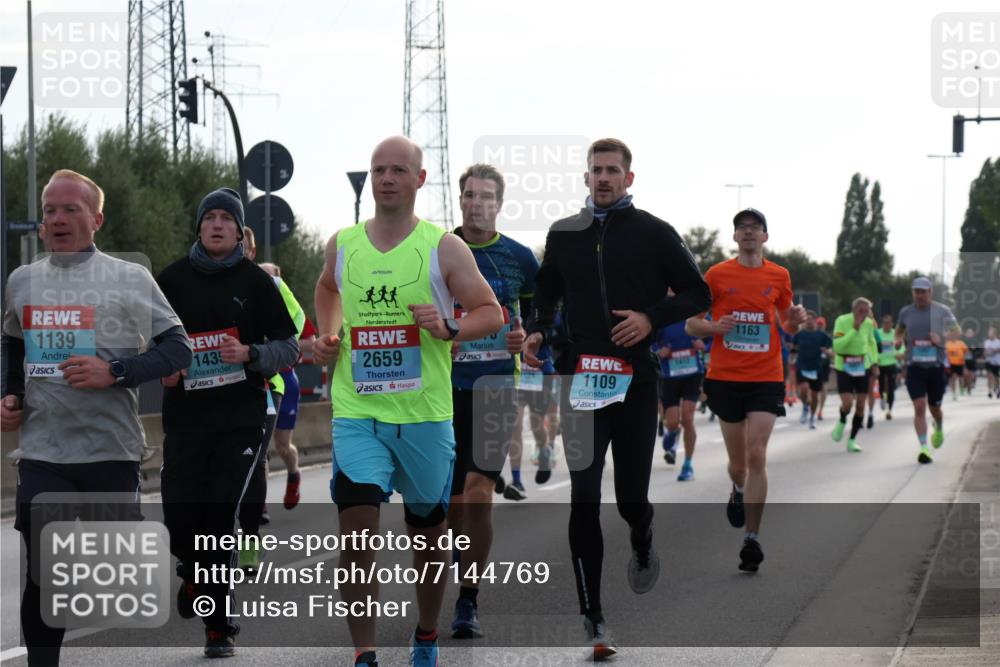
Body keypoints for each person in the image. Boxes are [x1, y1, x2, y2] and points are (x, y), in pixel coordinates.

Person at [312, 136, 502, 667]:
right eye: (379, 170)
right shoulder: (343, 244)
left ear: (419, 179)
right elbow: (326, 289)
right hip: (358, 412)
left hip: (424, 416)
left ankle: (426, 631)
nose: (387, 178)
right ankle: (365, 653)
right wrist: (328, 334)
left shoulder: (444, 247)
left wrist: (449, 327)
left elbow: (491, 312)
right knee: (357, 535)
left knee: (428, 537)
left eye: (398, 170)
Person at [524, 138, 711, 660]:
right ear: (586, 177)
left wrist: (651, 317)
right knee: (584, 495)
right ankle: (593, 617)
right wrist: (539, 328)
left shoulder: (654, 232)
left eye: (612, 170)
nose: (603, 177)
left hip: (636, 381)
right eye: (596, 170)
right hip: (581, 378)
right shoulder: (564, 234)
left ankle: (642, 535)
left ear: (629, 178)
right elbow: (546, 290)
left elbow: (698, 293)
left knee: (630, 499)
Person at [2, 169, 192, 666]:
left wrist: (116, 371)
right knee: (44, 570)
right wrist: (11, 393)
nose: (58, 219)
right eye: (50, 210)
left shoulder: (129, 278)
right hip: (44, 450)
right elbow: (12, 343)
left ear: (97, 219)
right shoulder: (22, 281)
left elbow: (178, 349)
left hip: (110, 448)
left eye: (71, 209)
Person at [157, 187, 299, 657]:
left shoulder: (257, 282)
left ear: (239, 232)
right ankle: (195, 573)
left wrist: (250, 353)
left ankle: (220, 627)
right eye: (209, 217)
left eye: (226, 219)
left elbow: (289, 348)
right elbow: (148, 341)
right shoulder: (171, 280)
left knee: (219, 516)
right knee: (179, 517)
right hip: (185, 421)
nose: (217, 224)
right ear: (199, 227)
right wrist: (166, 366)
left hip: (240, 419)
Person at [686, 207, 807, 574]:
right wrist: (715, 328)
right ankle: (737, 489)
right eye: (743, 228)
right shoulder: (717, 275)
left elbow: (787, 324)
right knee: (738, 465)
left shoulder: (779, 275)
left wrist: (795, 321)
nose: (749, 232)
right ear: (735, 237)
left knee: (757, 454)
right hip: (726, 378)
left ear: (765, 236)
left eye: (756, 228)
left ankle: (751, 539)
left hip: (766, 377)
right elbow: (692, 325)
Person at [446, 163, 538, 639]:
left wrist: (529, 335)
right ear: (460, 200)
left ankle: (468, 598)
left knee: (479, 490)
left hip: (497, 386)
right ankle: (458, 552)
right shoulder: (437, 251)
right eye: (469, 195)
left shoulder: (518, 258)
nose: (476, 203)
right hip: (441, 391)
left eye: (485, 196)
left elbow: (541, 313)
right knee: (450, 504)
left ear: (499, 204)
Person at [258, 260, 317, 510]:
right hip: (261, 381)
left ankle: (294, 474)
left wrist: (280, 344)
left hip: (286, 380)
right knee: (259, 446)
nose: (265, 283)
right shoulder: (251, 307)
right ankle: (259, 505)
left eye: (270, 278)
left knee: (282, 446)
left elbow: (310, 342)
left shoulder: (291, 310)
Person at [896, 277, 959, 464]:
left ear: (930, 292)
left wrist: (941, 338)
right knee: (919, 406)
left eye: (923, 292)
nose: (920, 295)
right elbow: (899, 330)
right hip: (914, 367)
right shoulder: (906, 312)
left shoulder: (942, 310)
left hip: (935, 368)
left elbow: (957, 331)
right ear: (913, 293)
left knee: (935, 409)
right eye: (917, 291)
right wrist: (898, 340)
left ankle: (938, 425)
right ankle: (924, 447)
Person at [652, 318, 706, 480]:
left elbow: (713, 335)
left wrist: (704, 345)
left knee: (688, 420)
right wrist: (658, 350)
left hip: (692, 373)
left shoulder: (694, 314)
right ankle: (673, 431)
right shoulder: (664, 316)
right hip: (670, 376)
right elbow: (651, 340)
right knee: (672, 422)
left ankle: (688, 465)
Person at [829, 298, 879, 453]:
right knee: (848, 403)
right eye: (860, 310)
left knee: (861, 406)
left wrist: (874, 363)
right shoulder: (842, 320)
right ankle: (842, 420)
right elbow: (837, 346)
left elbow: (871, 343)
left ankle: (852, 440)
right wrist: (854, 329)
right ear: (854, 309)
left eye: (866, 311)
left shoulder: (869, 324)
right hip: (843, 366)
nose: (863, 314)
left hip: (862, 366)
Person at [791, 310, 832, 429]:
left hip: (816, 368)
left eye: (811, 319)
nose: (809, 322)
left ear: (815, 320)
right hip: (802, 366)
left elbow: (832, 351)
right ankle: (805, 407)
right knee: (803, 389)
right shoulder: (799, 334)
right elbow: (793, 348)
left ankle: (812, 417)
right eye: (807, 319)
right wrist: (792, 357)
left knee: (814, 396)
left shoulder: (822, 335)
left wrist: (827, 351)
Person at [875, 314, 904, 420]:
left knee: (891, 387)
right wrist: (875, 358)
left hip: (892, 362)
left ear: (892, 324)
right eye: (885, 323)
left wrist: (900, 354)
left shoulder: (895, 333)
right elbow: (872, 346)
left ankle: (890, 410)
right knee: (881, 384)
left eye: (888, 323)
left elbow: (901, 346)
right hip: (880, 362)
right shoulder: (878, 333)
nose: (887, 325)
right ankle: (883, 398)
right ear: (882, 324)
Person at [944, 329, 969, 401]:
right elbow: (945, 353)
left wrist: (962, 357)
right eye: (951, 335)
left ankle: (961, 390)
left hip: (960, 363)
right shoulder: (947, 344)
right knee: (953, 378)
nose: (952, 336)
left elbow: (966, 351)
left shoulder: (961, 343)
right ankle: (954, 393)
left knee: (961, 377)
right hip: (951, 363)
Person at [984, 326, 1000, 399]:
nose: (989, 334)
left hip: (996, 362)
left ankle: (997, 388)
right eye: (989, 333)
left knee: (996, 377)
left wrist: (994, 350)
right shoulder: (986, 342)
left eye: (991, 333)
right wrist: (986, 353)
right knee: (989, 376)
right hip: (988, 361)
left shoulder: (998, 342)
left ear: (994, 334)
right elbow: (985, 351)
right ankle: (989, 391)